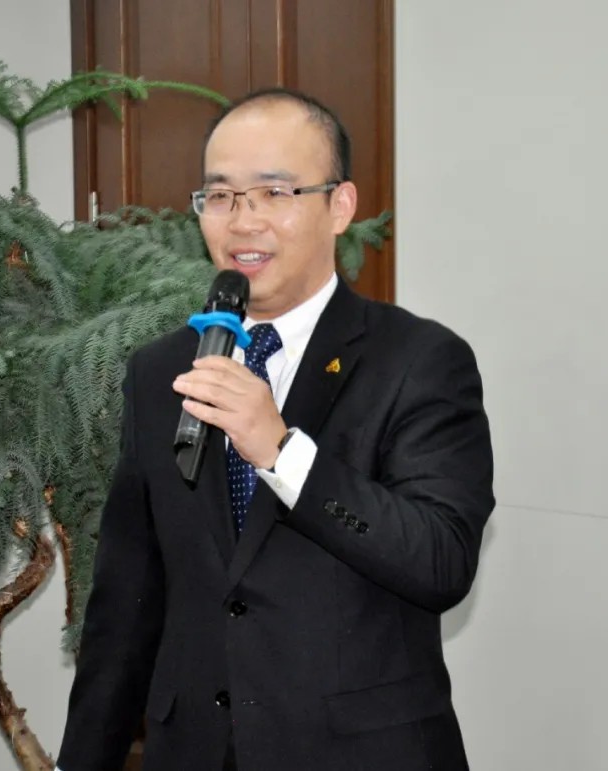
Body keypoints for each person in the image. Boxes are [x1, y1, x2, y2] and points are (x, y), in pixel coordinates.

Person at [55, 87, 495, 771]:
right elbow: (127, 602)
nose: (243, 221)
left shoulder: (419, 360)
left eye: (274, 192)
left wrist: (282, 452)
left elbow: (440, 561)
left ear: (340, 206)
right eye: (220, 196)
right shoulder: (163, 370)